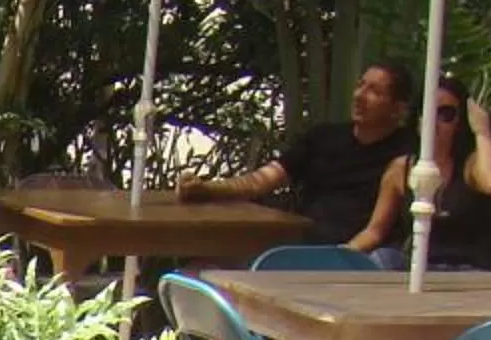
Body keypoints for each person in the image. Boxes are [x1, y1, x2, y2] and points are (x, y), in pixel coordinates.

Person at [175, 60, 418, 244]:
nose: (359, 96)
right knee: (200, 268)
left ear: (398, 109)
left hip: (364, 258)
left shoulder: (409, 154)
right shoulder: (322, 137)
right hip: (303, 247)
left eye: (374, 91)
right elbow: (262, 180)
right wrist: (207, 188)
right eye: (360, 85)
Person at [342, 75, 491, 267]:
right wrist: (340, 255)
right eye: (427, 112)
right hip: (421, 267)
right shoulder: (401, 169)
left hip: (468, 271)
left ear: (459, 123)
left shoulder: (472, 165)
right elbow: (374, 232)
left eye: (446, 114)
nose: (434, 122)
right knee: (384, 258)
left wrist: (482, 131)